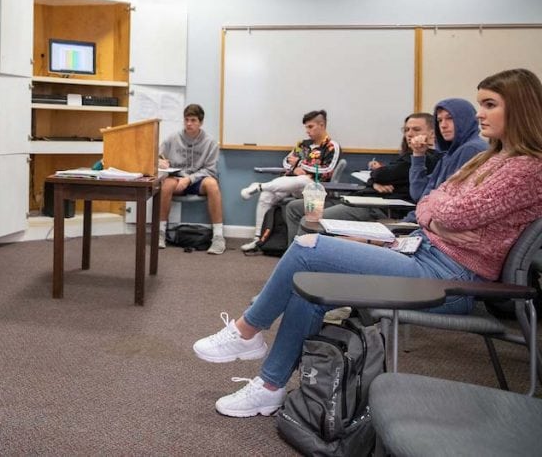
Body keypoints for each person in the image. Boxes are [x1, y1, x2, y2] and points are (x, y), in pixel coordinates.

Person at [191, 68, 542, 419]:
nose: (480, 113)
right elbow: (432, 203)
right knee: (307, 286)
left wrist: (439, 217)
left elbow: (453, 214)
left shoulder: (527, 168)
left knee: (308, 247)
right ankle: (269, 387)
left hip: (451, 280)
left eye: (490, 104)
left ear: (522, 108)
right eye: (481, 103)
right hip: (425, 252)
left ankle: (247, 330)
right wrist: (438, 217)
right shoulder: (490, 158)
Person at [282, 113, 439, 242]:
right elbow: (378, 175)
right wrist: (375, 181)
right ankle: (295, 256)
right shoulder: (408, 156)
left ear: (432, 134)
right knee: (293, 207)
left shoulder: (425, 158)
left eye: (416, 130)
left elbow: (381, 174)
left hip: (375, 207)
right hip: (360, 199)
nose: (410, 134)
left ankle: (302, 264)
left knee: (307, 219)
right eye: (407, 130)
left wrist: (376, 178)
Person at [239, 110, 341, 252]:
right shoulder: (303, 144)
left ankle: (260, 186)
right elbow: (286, 162)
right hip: (291, 185)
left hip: (313, 190)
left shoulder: (331, 146)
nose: (307, 131)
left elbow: (327, 169)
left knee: (304, 179)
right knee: (266, 196)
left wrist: (300, 164)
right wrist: (296, 167)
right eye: (306, 127)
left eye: (310, 127)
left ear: (322, 125)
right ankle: (258, 240)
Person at [157, 104, 225, 254]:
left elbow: (210, 170)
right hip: (177, 179)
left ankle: (218, 237)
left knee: (213, 185)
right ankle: (160, 232)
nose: (189, 123)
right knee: (166, 185)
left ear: (200, 122)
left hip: (198, 180)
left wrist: (189, 180)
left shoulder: (210, 142)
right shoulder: (173, 138)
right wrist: (160, 161)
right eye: (186, 120)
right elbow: (155, 156)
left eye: (193, 120)